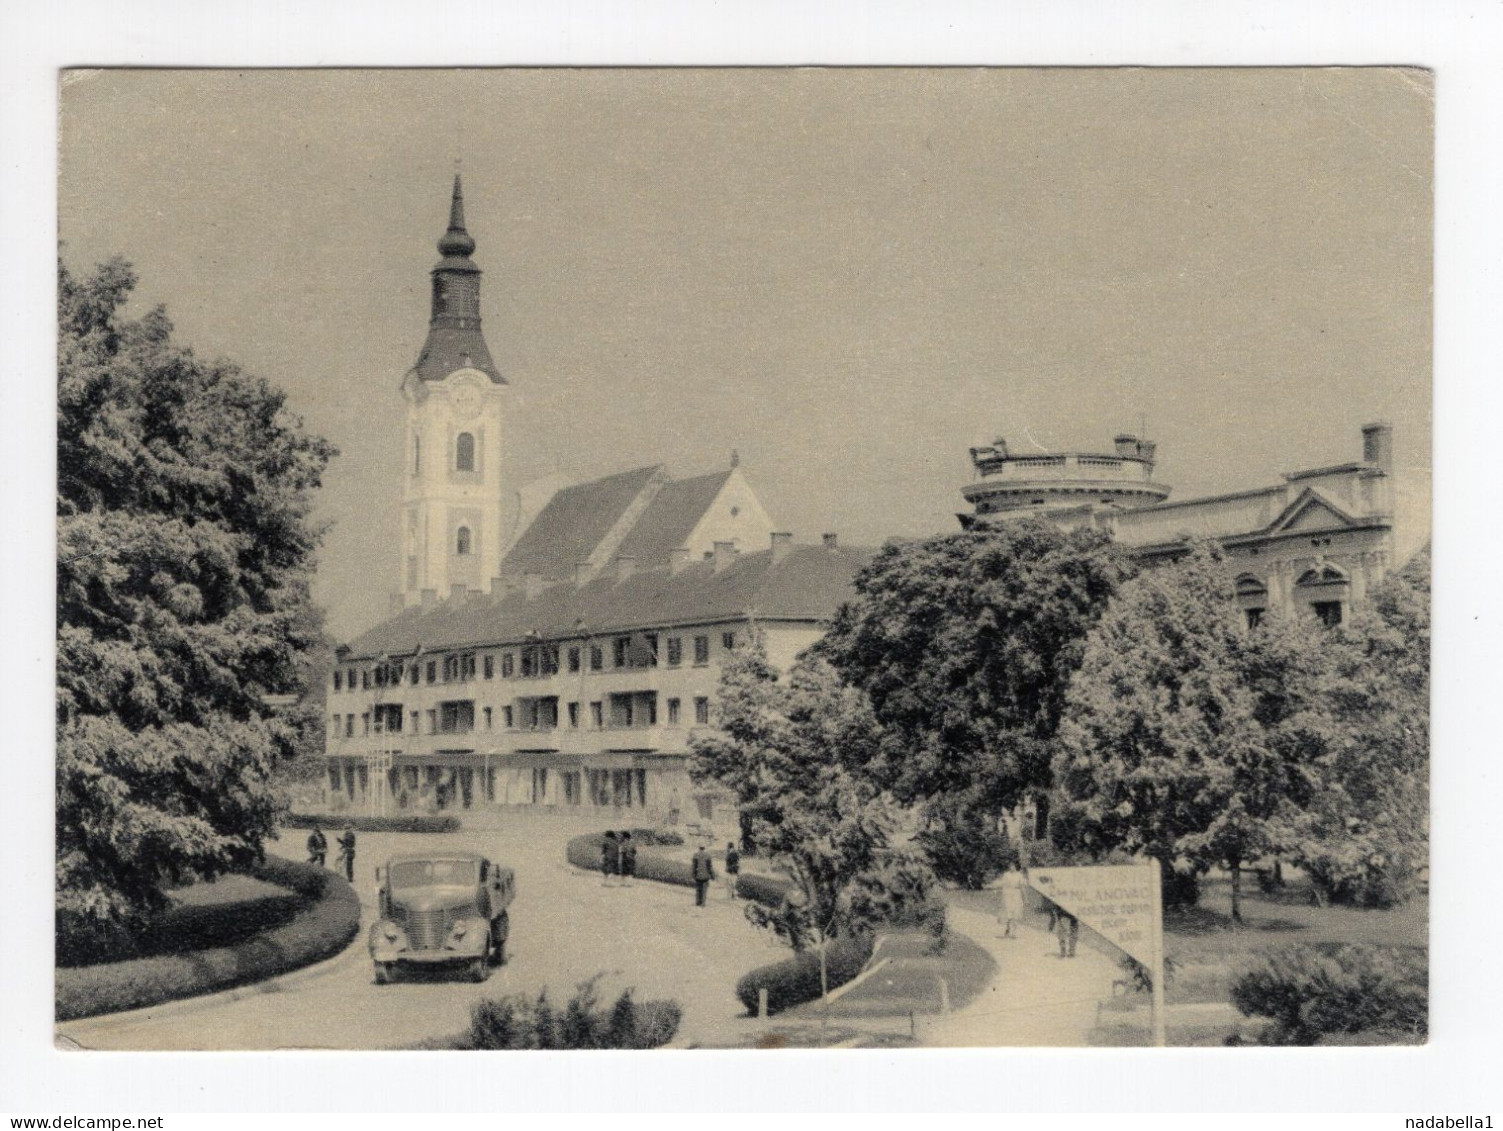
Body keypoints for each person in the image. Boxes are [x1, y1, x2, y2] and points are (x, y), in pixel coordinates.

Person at [998, 863, 1026, 939]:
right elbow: (1003, 886)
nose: (1012, 868)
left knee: (1016, 913)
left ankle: (1014, 932)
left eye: (1013, 866)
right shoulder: (1006, 875)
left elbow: (1022, 887)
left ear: (1016, 867)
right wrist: (1003, 896)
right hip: (1008, 894)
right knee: (1008, 912)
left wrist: (1025, 898)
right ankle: (1008, 928)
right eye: (1010, 866)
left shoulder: (1019, 875)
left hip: (1017, 894)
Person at [691, 842, 715, 907]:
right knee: (704, 890)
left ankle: (698, 902)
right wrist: (712, 875)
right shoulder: (708, 855)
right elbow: (709, 866)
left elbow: (694, 866)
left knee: (698, 889)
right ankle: (703, 903)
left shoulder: (695, 855)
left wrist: (693, 874)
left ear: (699, 848)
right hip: (706, 875)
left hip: (698, 875)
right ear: (704, 848)